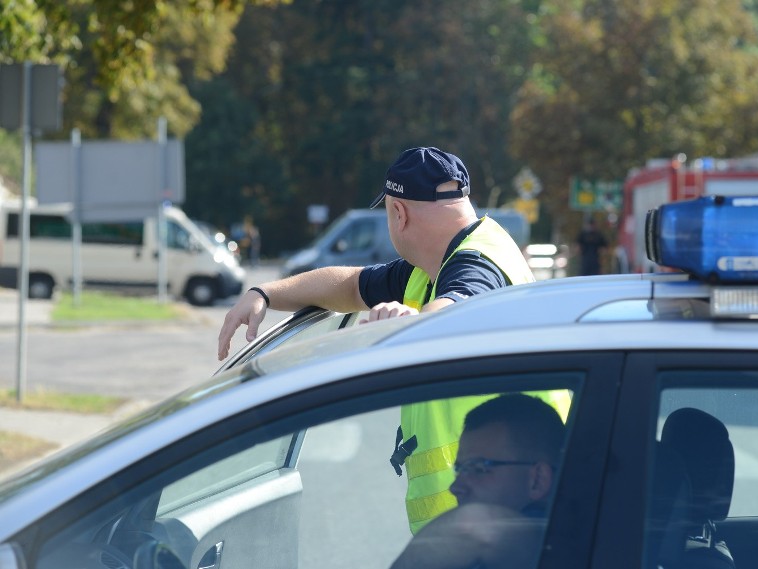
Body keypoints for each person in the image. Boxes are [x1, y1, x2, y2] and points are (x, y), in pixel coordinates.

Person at [217, 146, 570, 532]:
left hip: (497, 535)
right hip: (476, 528)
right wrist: (266, 293)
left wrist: (413, 323)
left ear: (398, 213)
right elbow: (350, 285)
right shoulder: (436, 265)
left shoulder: (478, 264)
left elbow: (460, 308)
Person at [390, 394, 564, 569]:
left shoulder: (560, 548)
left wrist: (469, 524)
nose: (455, 487)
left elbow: (476, 528)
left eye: (479, 468)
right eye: (459, 469)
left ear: (538, 480)